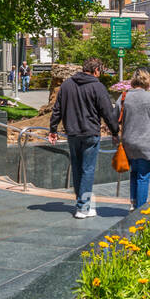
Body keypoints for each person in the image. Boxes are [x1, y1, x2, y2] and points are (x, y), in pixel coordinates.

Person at [49, 58, 119, 218]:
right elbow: (107, 112)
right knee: (87, 169)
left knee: (77, 167)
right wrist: (115, 132)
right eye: (100, 71)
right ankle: (83, 207)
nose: (100, 75)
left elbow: (57, 109)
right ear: (95, 70)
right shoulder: (97, 86)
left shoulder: (66, 85)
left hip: (72, 133)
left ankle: (82, 202)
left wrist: (53, 129)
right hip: (90, 133)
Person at [118, 69, 150, 210]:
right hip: (146, 142)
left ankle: (133, 203)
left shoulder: (123, 96)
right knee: (143, 176)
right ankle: (140, 208)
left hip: (128, 141)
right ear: (147, 81)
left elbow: (115, 116)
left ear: (133, 81)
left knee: (134, 172)